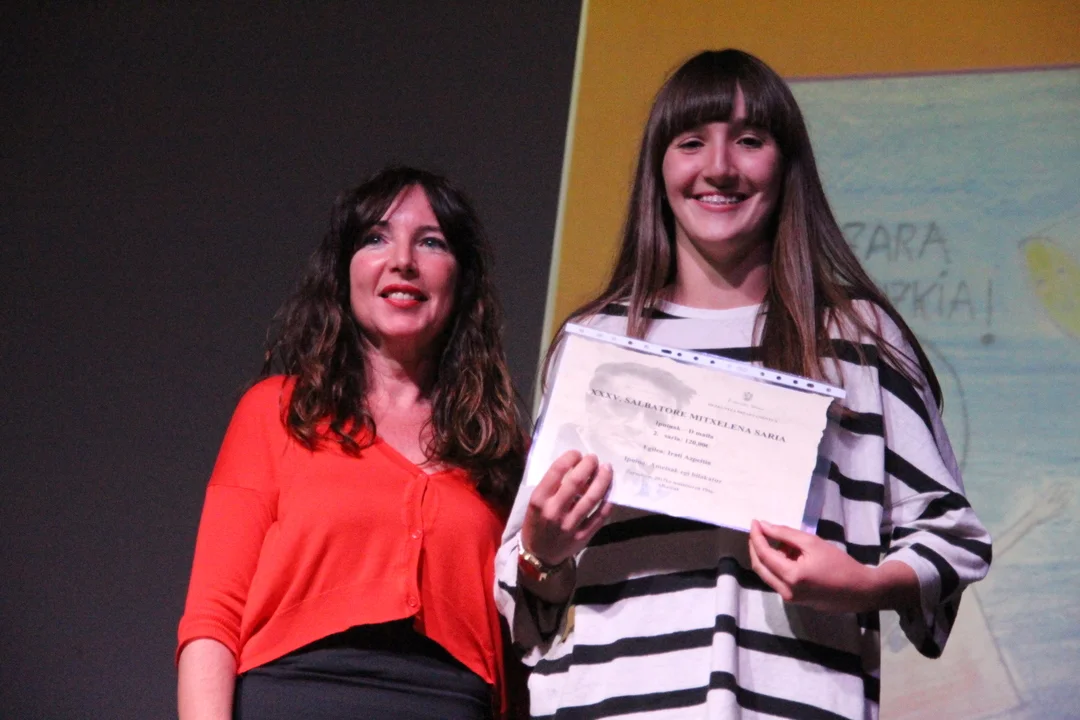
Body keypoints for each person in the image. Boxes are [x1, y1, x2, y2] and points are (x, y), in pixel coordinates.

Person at [495, 49, 992, 719]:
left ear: (786, 166)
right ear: (658, 169)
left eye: (750, 141)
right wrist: (544, 553)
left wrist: (861, 584)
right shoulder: (597, 344)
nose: (720, 167)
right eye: (691, 142)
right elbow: (523, 590)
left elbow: (953, 538)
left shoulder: (856, 339)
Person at [176, 166, 528, 719]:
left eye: (431, 242)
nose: (403, 260)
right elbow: (213, 617)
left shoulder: (500, 451)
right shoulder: (280, 412)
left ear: (461, 279)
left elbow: (525, 645)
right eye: (376, 238)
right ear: (344, 273)